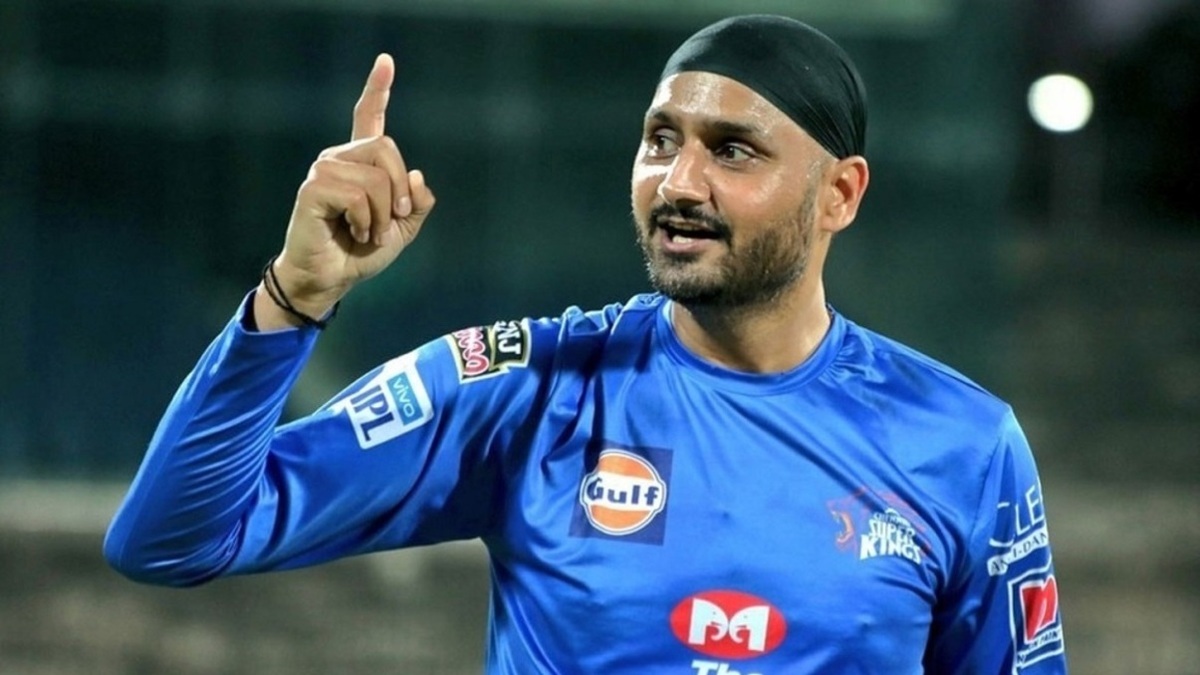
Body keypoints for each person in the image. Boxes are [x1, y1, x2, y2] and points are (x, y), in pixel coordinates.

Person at [105, 15, 1067, 674]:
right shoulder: (530, 387)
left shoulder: (963, 444)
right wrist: (294, 296)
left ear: (839, 195)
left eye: (732, 150)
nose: (678, 182)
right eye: (661, 139)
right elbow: (171, 536)